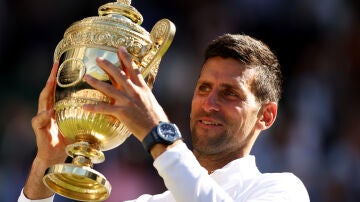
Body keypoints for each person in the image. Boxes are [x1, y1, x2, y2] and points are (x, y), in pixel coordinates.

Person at [18, 33, 309, 201]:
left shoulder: (283, 191)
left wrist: (157, 131)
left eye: (230, 93)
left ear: (266, 115)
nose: (209, 103)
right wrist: (47, 163)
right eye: (204, 88)